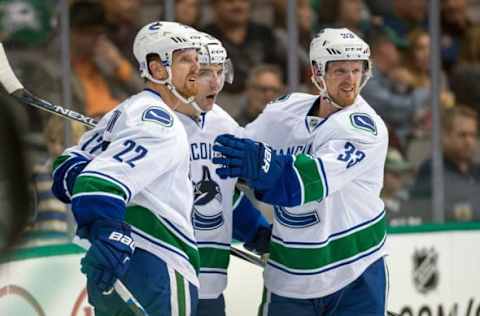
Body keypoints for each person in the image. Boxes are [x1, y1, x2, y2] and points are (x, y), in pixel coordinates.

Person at [212, 28, 389, 315]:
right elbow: (232, 161)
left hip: (355, 271)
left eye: (357, 71)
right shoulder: (285, 112)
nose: (351, 81)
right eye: (341, 71)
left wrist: (258, 163)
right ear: (317, 73)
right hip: (289, 274)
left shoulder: (364, 128)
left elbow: (302, 184)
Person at [51, 21, 201, 315]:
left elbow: (66, 171)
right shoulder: (161, 124)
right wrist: (109, 231)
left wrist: (104, 233)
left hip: (117, 266)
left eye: (197, 59)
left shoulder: (124, 112)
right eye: (185, 60)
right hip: (157, 266)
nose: (196, 68)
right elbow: (99, 183)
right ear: (158, 70)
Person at [176, 30, 271, 316]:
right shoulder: (154, 121)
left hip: (211, 281)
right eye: (205, 72)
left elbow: (222, 194)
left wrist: (257, 231)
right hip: (165, 276)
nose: (216, 82)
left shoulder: (224, 126)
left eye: (220, 71)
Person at [410, 105, 480, 222]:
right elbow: (419, 210)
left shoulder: (477, 171)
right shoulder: (432, 170)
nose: (469, 141)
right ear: (445, 136)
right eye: (462, 135)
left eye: (473, 135)